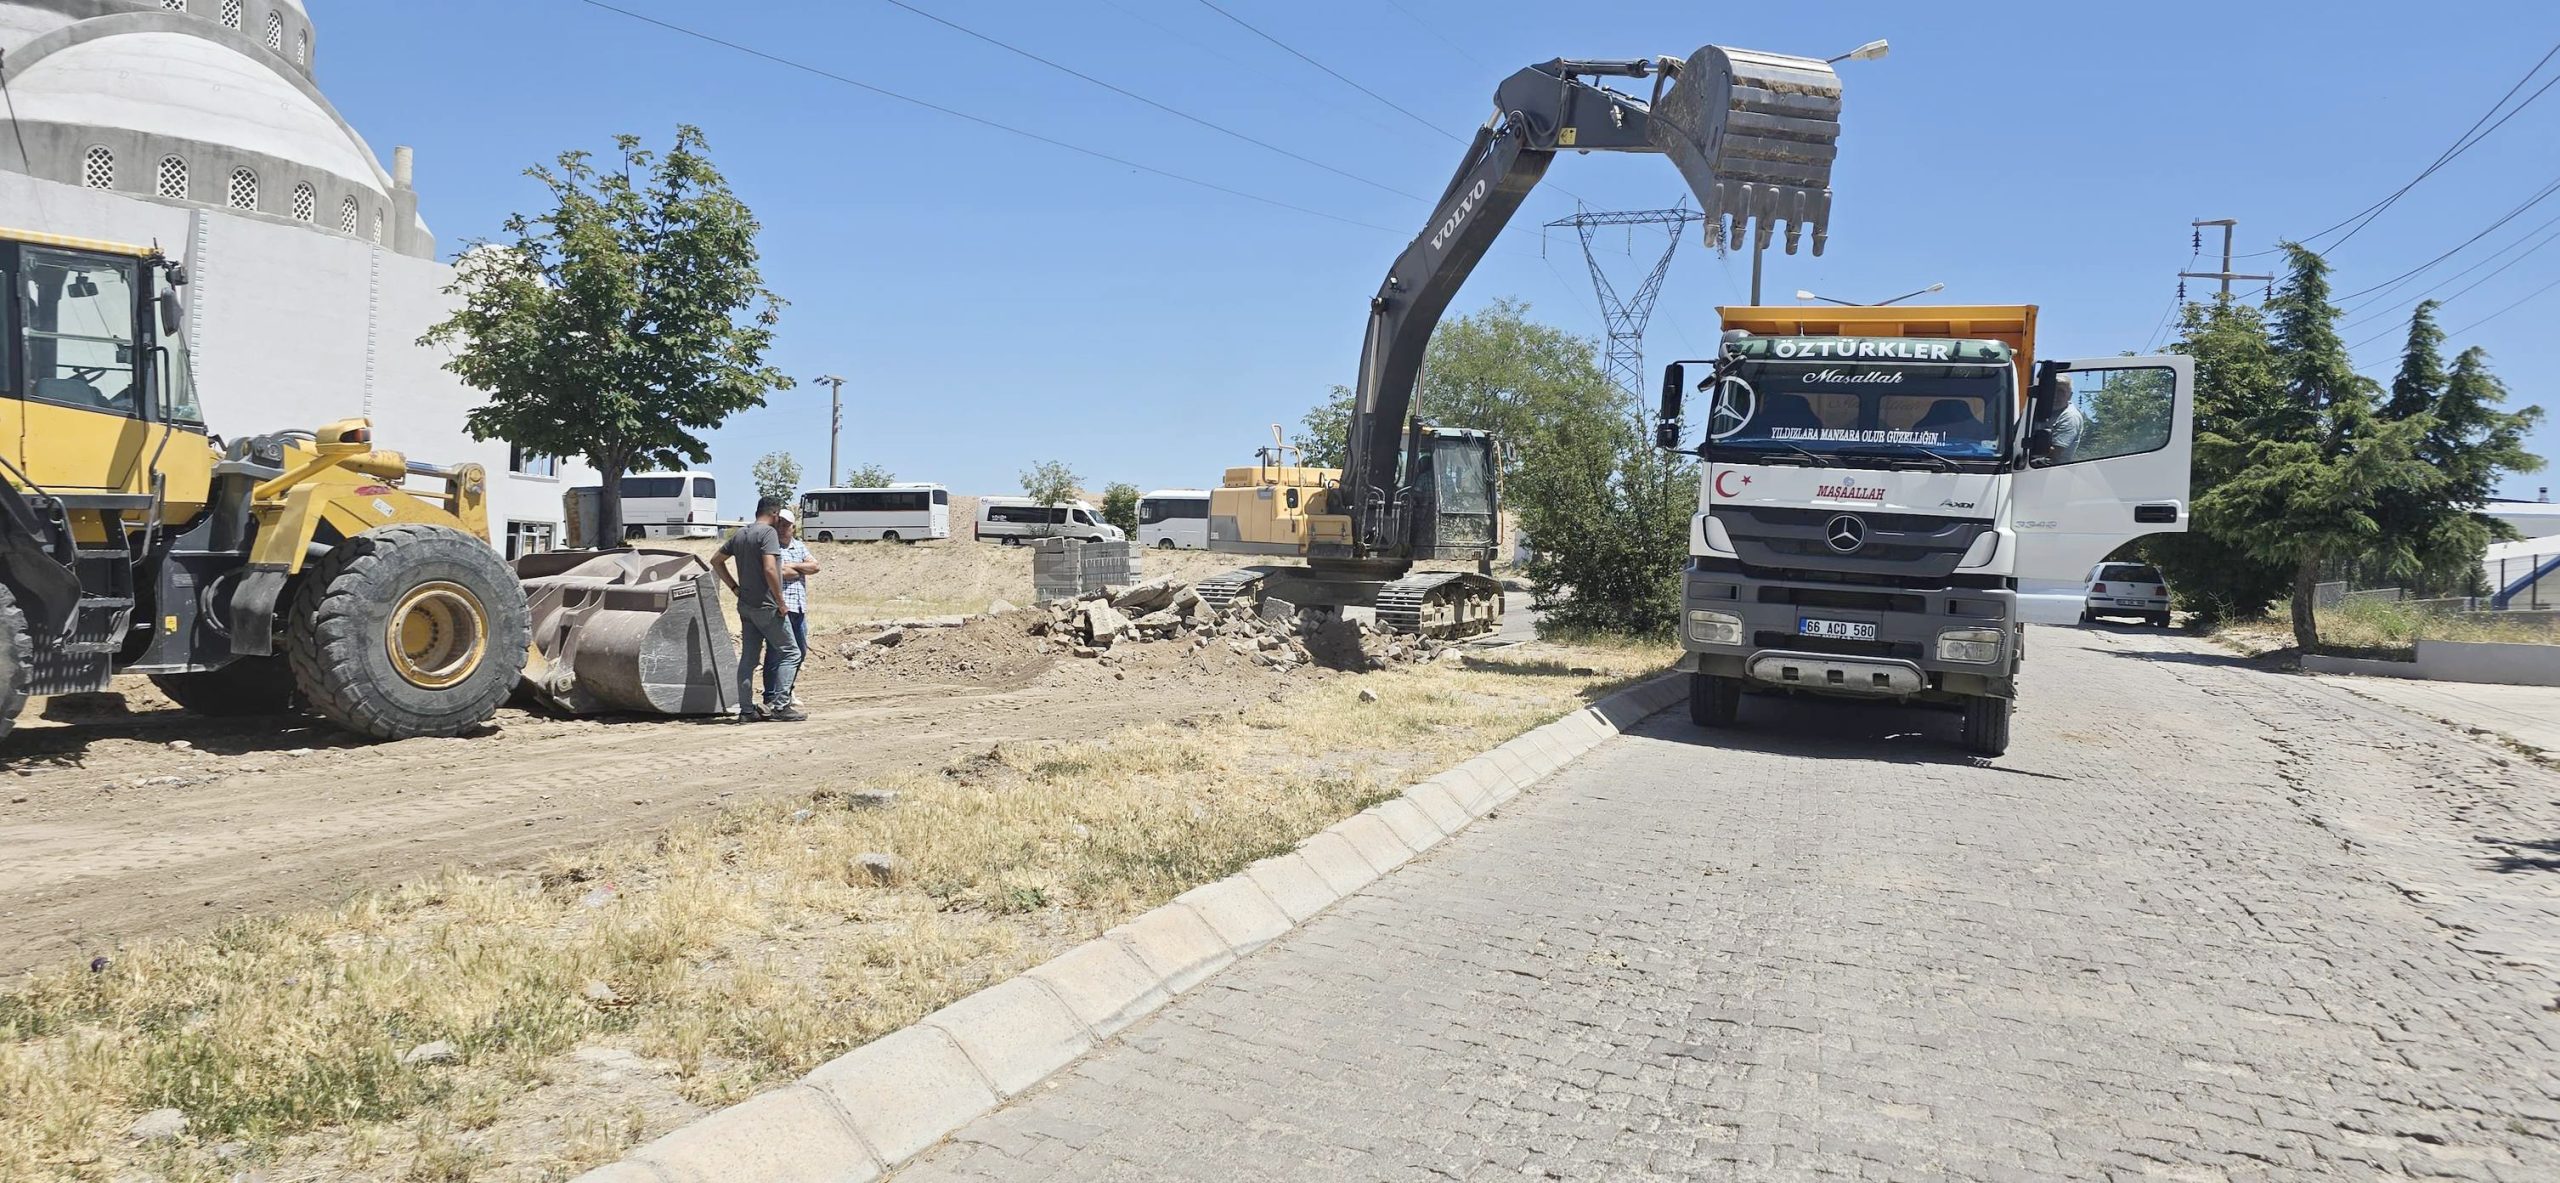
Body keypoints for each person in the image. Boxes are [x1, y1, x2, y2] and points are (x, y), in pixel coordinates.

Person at [712, 497, 804, 722]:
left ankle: (745, 710)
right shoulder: (768, 534)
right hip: (767, 606)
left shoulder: (741, 534)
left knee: (748, 659)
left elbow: (716, 560)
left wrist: (735, 587)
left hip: (746, 606)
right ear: (774, 514)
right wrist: (781, 601)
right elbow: (771, 569)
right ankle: (781, 707)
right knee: (791, 653)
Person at [764, 508, 820, 708]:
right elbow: (778, 572)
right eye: (779, 524)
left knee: (800, 651)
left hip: (799, 607)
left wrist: (793, 567)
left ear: (793, 527)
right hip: (781, 607)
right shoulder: (771, 547)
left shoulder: (799, 546)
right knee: (776, 653)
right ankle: (771, 696)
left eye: (786, 525)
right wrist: (798, 568)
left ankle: (787, 690)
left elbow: (815, 566)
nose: (782, 528)